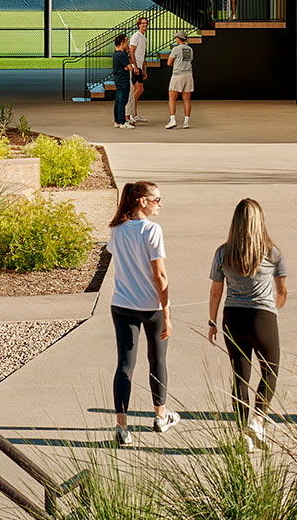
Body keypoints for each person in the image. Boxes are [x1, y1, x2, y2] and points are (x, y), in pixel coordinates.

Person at [208, 198, 286, 449]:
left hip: (233, 317)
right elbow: (282, 291)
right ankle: (258, 420)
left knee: (240, 377)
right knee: (270, 371)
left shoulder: (222, 253)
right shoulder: (273, 252)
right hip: (263, 317)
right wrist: (273, 309)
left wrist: (212, 321)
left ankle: (243, 433)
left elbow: (215, 292)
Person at [109, 181, 177, 445]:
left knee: (125, 364)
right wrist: (167, 310)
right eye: (157, 199)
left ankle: (121, 426)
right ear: (142, 200)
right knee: (157, 360)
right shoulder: (151, 230)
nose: (160, 204)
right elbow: (159, 275)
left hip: (122, 304)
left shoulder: (115, 229)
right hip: (150, 307)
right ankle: (161, 416)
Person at [164, 33, 195, 129]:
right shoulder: (190, 49)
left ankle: (172, 120)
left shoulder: (176, 49)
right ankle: (186, 122)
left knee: (172, 98)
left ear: (178, 39)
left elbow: (169, 62)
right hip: (188, 75)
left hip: (178, 75)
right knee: (186, 99)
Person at [127, 18, 150, 125]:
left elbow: (143, 55)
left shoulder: (143, 37)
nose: (144, 25)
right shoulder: (136, 36)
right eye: (142, 23)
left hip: (140, 66)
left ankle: (134, 114)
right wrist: (135, 67)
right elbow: (131, 51)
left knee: (137, 89)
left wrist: (144, 69)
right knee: (139, 89)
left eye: (146, 23)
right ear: (138, 25)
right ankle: (129, 112)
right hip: (135, 66)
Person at [110, 34, 136, 130]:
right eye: (126, 42)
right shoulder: (121, 55)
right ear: (122, 43)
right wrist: (130, 67)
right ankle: (122, 122)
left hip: (118, 79)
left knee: (118, 100)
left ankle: (117, 121)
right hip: (123, 80)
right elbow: (130, 67)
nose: (127, 44)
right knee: (122, 101)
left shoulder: (116, 54)